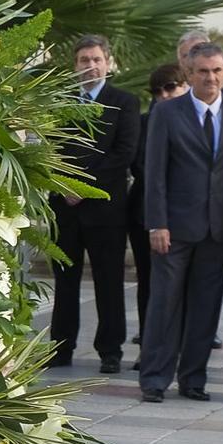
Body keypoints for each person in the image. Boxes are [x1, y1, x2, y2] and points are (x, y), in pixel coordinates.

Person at [139, 42, 223, 402]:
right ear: (189, 73)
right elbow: (154, 172)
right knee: (164, 305)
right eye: (203, 71)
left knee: (206, 308)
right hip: (172, 228)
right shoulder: (168, 113)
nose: (211, 77)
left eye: (217, 70)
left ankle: (193, 379)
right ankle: (155, 378)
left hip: (219, 229)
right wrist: (157, 223)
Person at [50, 35, 141, 373]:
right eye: (83, 60)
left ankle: (110, 349)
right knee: (64, 281)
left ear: (108, 63)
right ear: (74, 66)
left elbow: (124, 154)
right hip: (65, 207)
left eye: (96, 59)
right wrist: (65, 187)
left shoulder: (124, 102)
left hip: (106, 209)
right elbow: (48, 149)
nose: (90, 66)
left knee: (109, 281)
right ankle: (61, 347)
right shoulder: (57, 102)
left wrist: (83, 187)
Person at [127, 64, 188, 347]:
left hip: (187, 214)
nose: (164, 95)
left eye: (171, 87)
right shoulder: (144, 122)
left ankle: (180, 342)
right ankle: (149, 342)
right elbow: (139, 164)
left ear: (184, 85)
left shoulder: (196, 119)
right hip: (145, 214)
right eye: (157, 91)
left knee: (184, 285)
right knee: (148, 282)